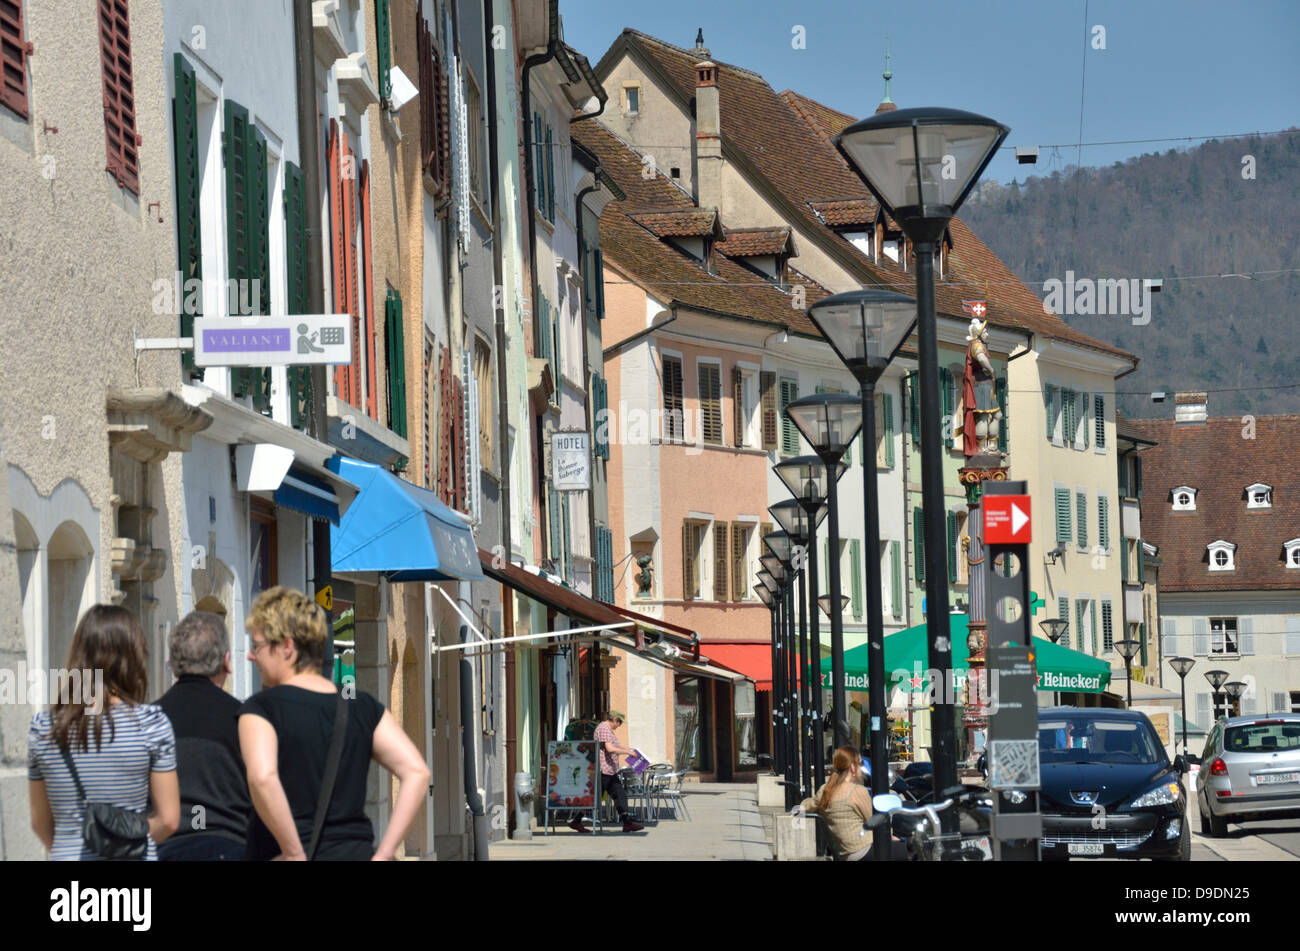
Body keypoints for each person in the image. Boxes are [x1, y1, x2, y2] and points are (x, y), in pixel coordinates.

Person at [237, 586, 430, 860]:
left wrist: (293, 853)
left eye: (257, 646)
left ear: (287, 647)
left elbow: (262, 777)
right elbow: (417, 772)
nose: (251, 655)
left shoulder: (260, 709)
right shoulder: (361, 706)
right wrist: (385, 854)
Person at [27, 605, 180, 860]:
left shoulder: (44, 728)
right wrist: (120, 842)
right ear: (134, 657)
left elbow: (40, 823)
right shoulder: (152, 724)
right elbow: (169, 820)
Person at [155, 611, 251, 860]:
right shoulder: (245, 719)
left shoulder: (149, 720)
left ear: (173, 663)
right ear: (227, 662)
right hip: (230, 847)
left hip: (164, 849)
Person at [571, 710, 644, 834]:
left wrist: (628, 749)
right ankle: (576, 821)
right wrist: (627, 752)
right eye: (619, 723)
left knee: (619, 795)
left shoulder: (607, 730)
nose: (619, 726)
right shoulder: (604, 729)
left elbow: (612, 746)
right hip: (604, 770)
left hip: (609, 770)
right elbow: (609, 749)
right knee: (595, 798)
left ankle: (627, 823)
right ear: (615, 720)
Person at [800, 746, 874, 861]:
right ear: (853, 767)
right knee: (909, 848)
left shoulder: (826, 790)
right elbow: (875, 822)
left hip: (843, 853)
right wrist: (892, 836)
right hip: (863, 850)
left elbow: (806, 806)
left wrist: (795, 808)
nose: (862, 768)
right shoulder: (857, 791)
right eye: (860, 764)